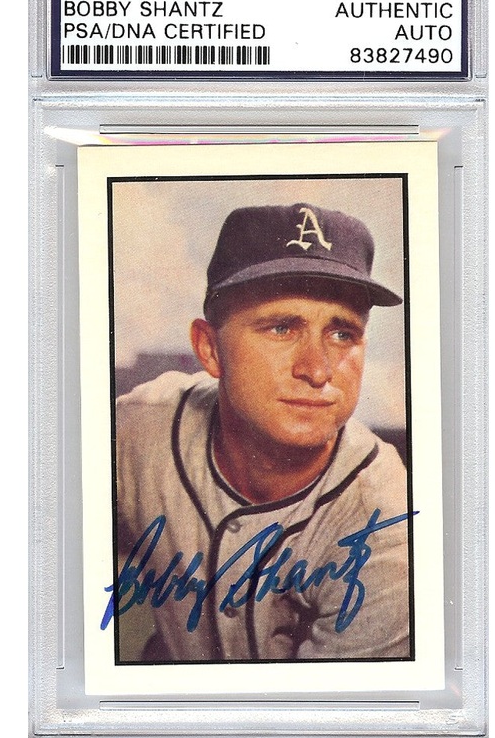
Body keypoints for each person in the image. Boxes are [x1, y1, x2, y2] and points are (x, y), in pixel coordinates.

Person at [114, 203, 412, 662]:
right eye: (281, 328)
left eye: (342, 334)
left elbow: (332, 704)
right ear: (210, 349)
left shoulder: (386, 523)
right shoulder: (135, 432)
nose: (317, 370)